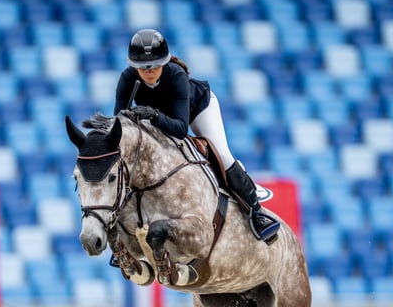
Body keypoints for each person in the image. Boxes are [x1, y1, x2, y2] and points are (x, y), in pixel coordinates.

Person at [113, 28, 280, 244]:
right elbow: (119, 121)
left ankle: (257, 214)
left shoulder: (176, 76)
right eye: (143, 67)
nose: (149, 71)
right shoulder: (127, 79)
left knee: (222, 155)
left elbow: (181, 129)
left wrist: (152, 115)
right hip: (160, 120)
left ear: (164, 62)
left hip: (198, 110)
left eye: (154, 65)